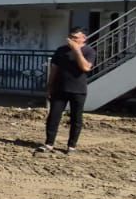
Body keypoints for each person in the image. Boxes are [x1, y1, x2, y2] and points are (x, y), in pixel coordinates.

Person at [38, 27, 94, 155]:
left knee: (76, 118)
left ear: (84, 38)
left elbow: (85, 67)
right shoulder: (61, 50)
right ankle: (49, 144)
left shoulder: (89, 51)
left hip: (78, 90)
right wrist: (50, 86)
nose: (71, 40)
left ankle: (71, 146)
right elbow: (54, 69)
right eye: (70, 37)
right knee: (53, 116)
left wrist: (76, 50)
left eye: (75, 38)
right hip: (60, 89)